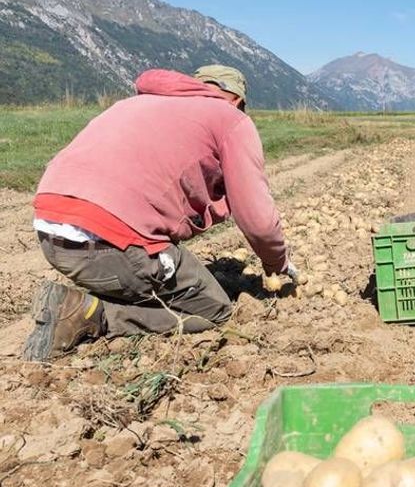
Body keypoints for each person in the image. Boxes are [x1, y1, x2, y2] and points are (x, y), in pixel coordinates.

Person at [25, 65, 298, 361]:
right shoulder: (230, 118)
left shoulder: (133, 103)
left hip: (50, 230)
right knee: (214, 309)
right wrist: (277, 263)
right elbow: (257, 221)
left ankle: (108, 286)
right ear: (237, 101)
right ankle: (94, 314)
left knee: (138, 258)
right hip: (106, 244)